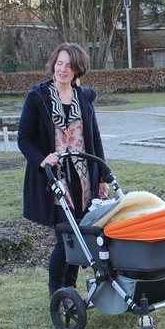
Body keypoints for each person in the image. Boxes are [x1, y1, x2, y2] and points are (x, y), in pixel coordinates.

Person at [17, 43, 108, 301]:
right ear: (53, 65)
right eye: (59, 63)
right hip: (56, 180)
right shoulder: (38, 97)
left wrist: (101, 176)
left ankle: (70, 290)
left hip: (83, 178)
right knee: (67, 237)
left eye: (69, 65)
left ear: (78, 69)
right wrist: (42, 159)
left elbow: (95, 139)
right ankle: (57, 292)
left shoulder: (84, 98)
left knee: (81, 235)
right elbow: (24, 139)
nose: (63, 69)